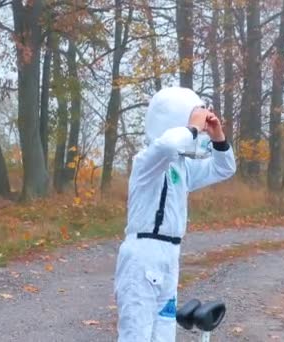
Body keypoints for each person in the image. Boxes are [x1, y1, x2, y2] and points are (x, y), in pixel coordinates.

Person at [113, 87, 236, 341]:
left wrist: (218, 137)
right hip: (142, 256)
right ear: (174, 121)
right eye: (194, 118)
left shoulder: (183, 167)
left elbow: (224, 168)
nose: (199, 127)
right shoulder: (147, 161)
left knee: (164, 334)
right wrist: (192, 127)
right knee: (136, 334)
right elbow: (169, 144)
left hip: (170, 256)